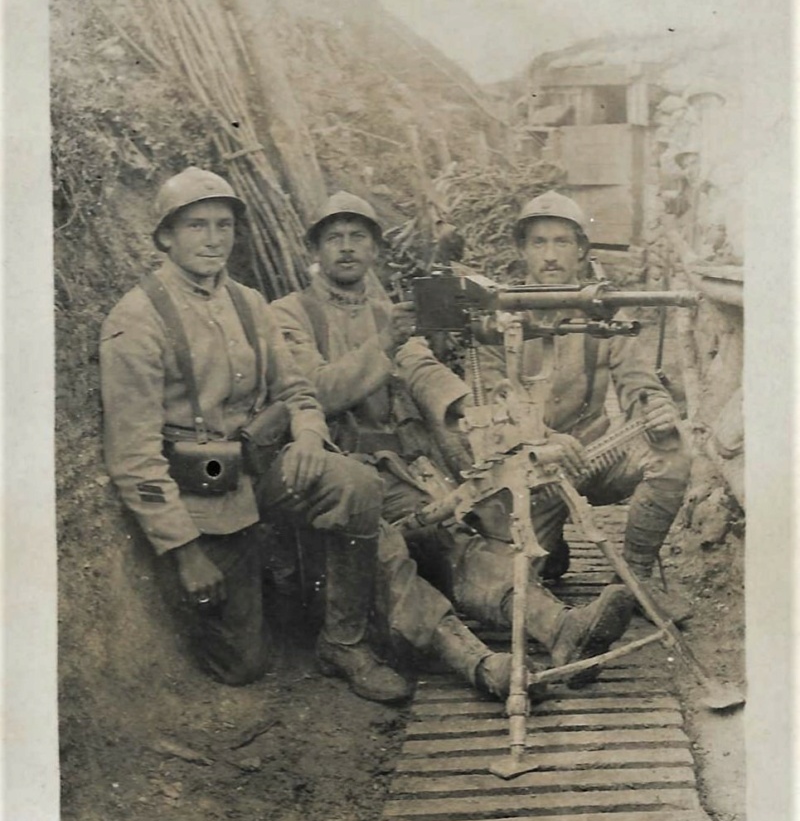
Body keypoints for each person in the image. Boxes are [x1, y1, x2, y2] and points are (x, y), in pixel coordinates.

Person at [271, 191, 635, 686]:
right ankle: (480, 665)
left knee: (461, 546)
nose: (347, 247)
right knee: (389, 554)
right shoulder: (289, 314)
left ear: (375, 248)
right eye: (334, 237)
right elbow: (314, 392)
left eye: (358, 236)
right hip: (338, 478)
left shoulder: (387, 309)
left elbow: (420, 367)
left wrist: (466, 408)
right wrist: (383, 345)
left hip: (403, 471)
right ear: (313, 249)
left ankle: (563, 629)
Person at [99, 167, 411, 704]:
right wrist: (184, 551)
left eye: (224, 225)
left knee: (356, 484)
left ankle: (344, 642)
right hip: (202, 503)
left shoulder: (248, 303)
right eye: (196, 225)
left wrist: (311, 438)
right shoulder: (137, 321)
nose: (214, 239)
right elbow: (133, 457)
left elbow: (298, 391)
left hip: (263, 473)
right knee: (244, 664)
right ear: (165, 237)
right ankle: (264, 584)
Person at [478, 190, 693, 622]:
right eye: (539, 243)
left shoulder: (601, 314)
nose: (551, 255)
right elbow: (491, 414)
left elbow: (637, 380)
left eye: (562, 242)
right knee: (507, 585)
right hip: (530, 471)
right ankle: (552, 543)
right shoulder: (497, 322)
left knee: (671, 454)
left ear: (580, 251)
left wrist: (655, 410)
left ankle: (633, 583)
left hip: (597, 457)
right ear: (522, 250)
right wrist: (541, 441)